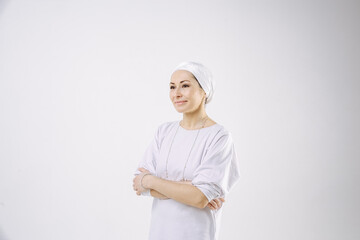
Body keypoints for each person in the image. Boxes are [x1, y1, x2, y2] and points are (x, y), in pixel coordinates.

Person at [132, 61, 240, 240]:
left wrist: (150, 180)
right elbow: (138, 184)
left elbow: (199, 198)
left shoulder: (219, 137)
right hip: (159, 232)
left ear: (204, 90)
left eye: (185, 86)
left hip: (195, 233)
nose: (176, 94)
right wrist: (190, 189)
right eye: (172, 87)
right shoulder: (164, 131)